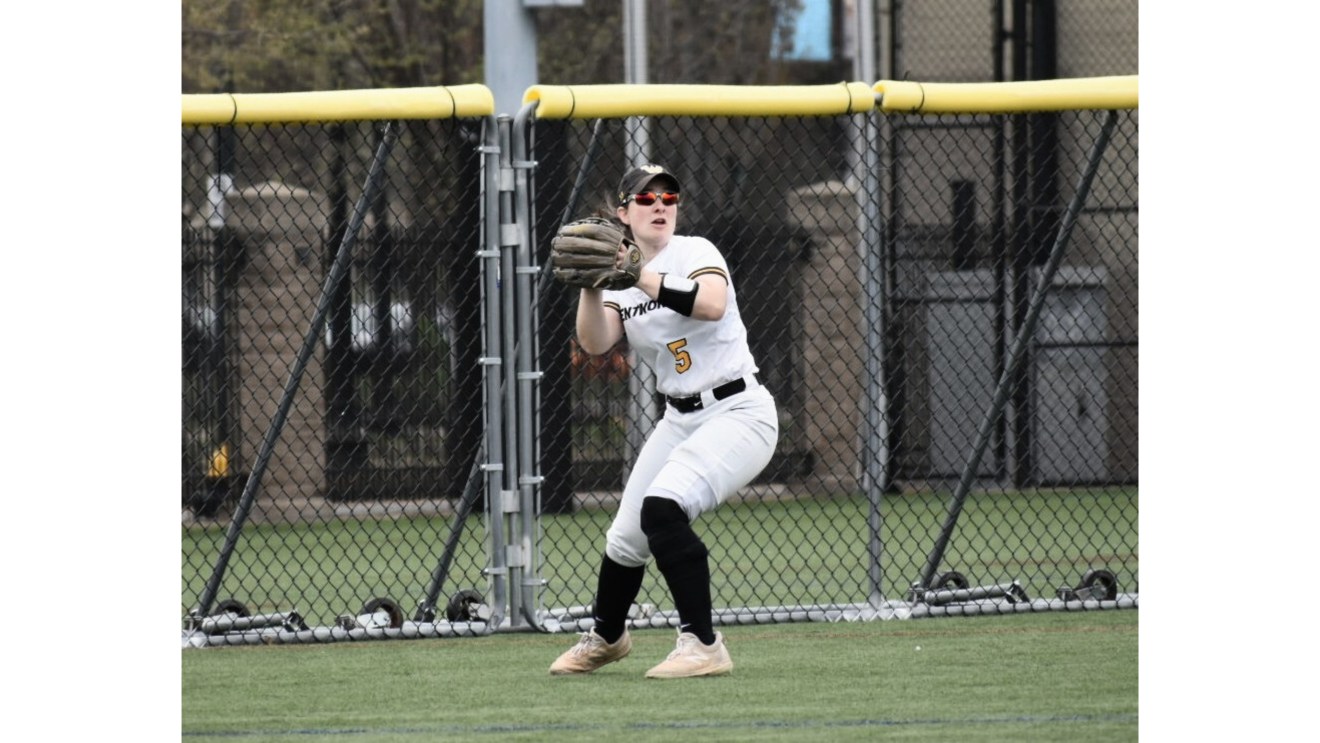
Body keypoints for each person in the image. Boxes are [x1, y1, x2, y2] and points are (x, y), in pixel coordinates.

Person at [549, 164, 779, 679]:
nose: (660, 205)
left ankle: (702, 643)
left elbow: (712, 304)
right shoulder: (619, 280)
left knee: (663, 509)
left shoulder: (696, 252)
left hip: (739, 411)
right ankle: (608, 636)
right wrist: (591, 285)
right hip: (680, 417)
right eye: (646, 198)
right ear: (623, 213)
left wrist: (637, 274)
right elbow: (593, 343)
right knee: (626, 538)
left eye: (669, 196)